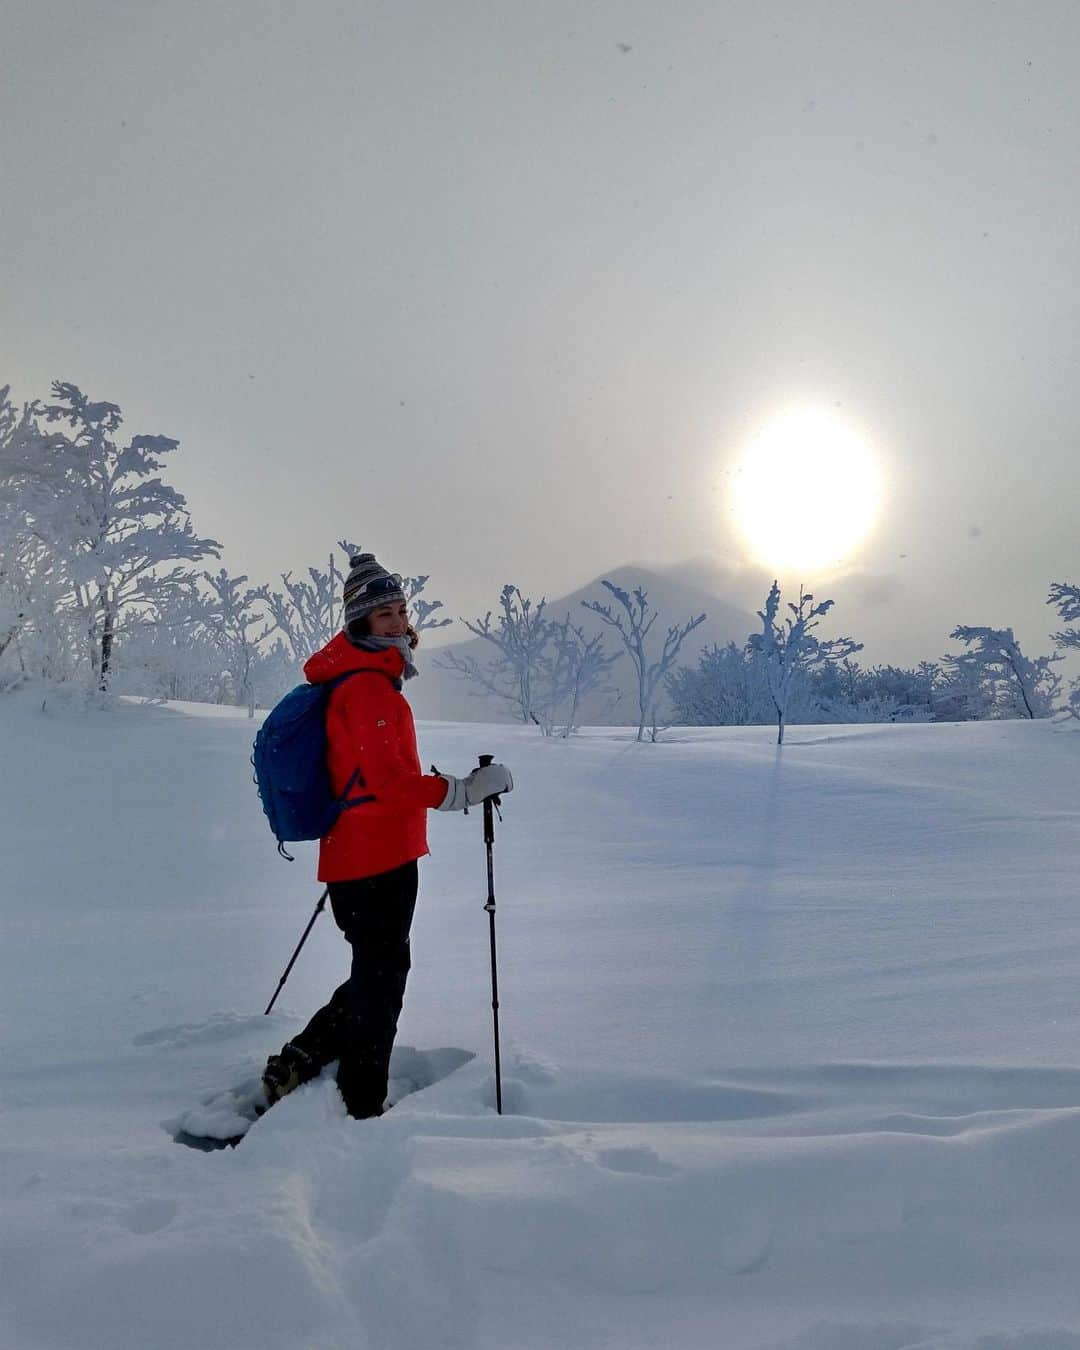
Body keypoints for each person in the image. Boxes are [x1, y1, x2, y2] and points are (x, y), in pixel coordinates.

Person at [260, 552, 513, 1119]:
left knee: (376, 971)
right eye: (384, 616)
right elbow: (389, 783)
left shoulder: (367, 681)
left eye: (401, 610)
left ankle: (304, 1054)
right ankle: (362, 1099)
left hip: (362, 855)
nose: (398, 623)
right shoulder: (369, 690)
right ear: (360, 624)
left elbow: (373, 775)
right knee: (382, 979)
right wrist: (463, 791)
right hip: (374, 861)